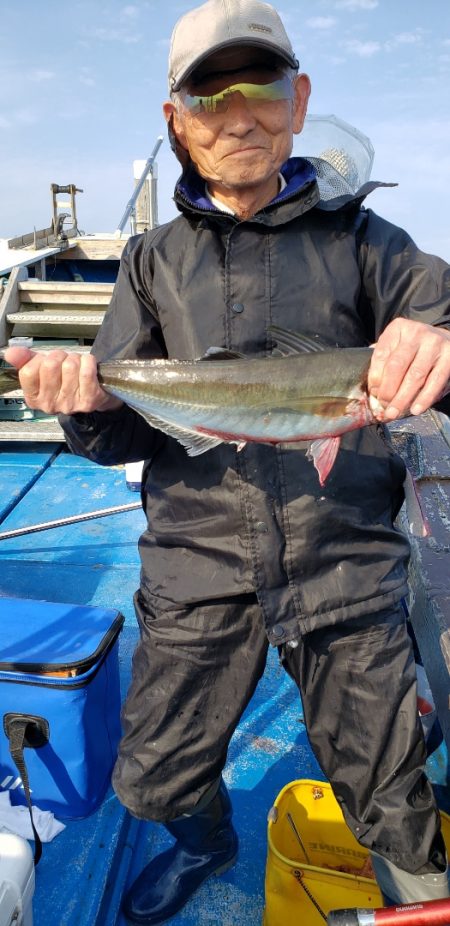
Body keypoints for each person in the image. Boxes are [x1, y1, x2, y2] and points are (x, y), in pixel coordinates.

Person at [5, 0, 450, 922]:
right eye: (211, 96)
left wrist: (439, 338)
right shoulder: (148, 262)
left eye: (264, 87)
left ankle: (415, 894)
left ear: (301, 100)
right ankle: (207, 842)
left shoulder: (372, 243)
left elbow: (437, 317)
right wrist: (86, 404)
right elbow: (126, 433)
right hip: (197, 563)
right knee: (155, 777)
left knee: (396, 802)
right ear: (178, 121)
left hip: (347, 566)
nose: (240, 114)